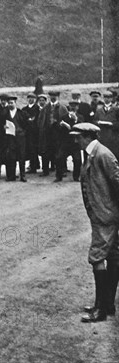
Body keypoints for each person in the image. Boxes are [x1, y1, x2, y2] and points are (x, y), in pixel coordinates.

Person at [71, 123, 119, 323]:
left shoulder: (102, 154)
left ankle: (100, 309)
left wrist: (111, 211)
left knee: (97, 256)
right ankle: (107, 304)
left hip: (105, 216)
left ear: (88, 136)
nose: (75, 140)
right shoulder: (93, 153)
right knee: (113, 255)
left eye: (78, 136)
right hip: (104, 215)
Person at [54, 101, 83, 182]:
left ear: (77, 107)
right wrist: (61, 125)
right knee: (59, 158)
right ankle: (58, 176)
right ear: (69, 107)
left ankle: (76, 177)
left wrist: (76, 120)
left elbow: (82, 128)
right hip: (65, 142)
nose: (73, 107)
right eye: (71, 106)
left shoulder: (80, 117)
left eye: (75, 106)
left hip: (75, 143)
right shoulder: (64, 117)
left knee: (77, 160)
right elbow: (58, 128)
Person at [1, 96, 29, 182]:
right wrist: (4, 127)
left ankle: (22, 175)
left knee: (21, 157)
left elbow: (26, 125)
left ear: (15, 103)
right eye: (8, 103)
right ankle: (11, 176)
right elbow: (1, 124)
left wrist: (22, 132)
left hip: (20, 138)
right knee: (11, 157)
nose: (10, 104)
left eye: (11, 103)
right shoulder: (4, 113)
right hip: (10, 138)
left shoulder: (21, 113)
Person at [93, 91, 119, 160]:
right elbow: (94, 121)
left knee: (114, 156)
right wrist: (98, 122)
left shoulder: (116, 110)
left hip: (113, 137)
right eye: (105, 97)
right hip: (102, 136)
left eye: (109, 97)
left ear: (111, 99)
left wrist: (112, 124)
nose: (107, 99)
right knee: (102, 156)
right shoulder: (99, 110)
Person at [22, 93, 40, 173]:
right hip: (27, 132)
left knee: (34, 149)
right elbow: (23, 119)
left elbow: (37, 119)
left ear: (35, 99)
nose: (30, 99)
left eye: (32, 98)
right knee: (28, 149)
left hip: (35, 132)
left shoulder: (37, 108)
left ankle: (34, 166)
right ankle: (32, 165)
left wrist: (30, 120)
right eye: (29, 98)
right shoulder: (24, 109)